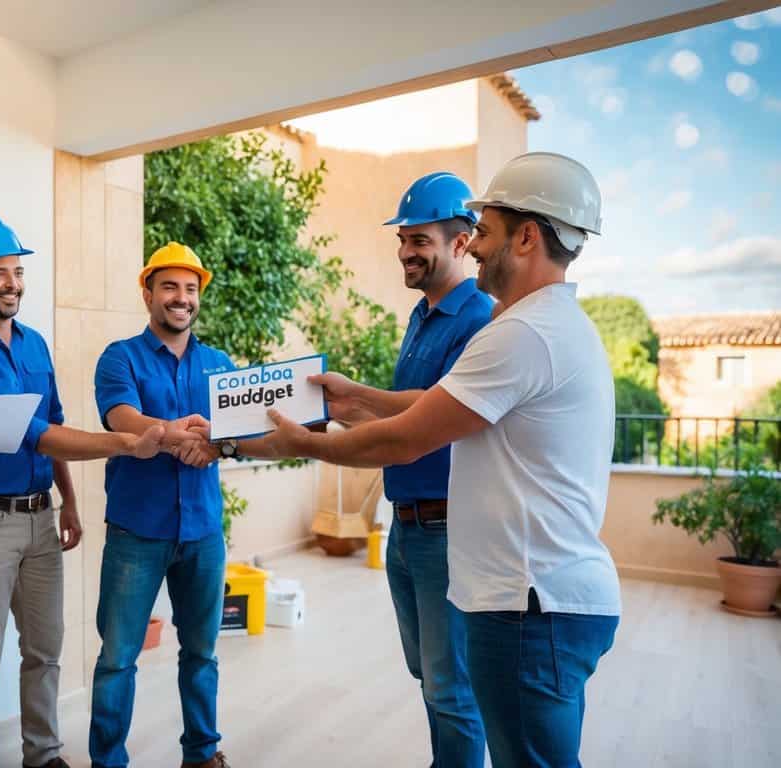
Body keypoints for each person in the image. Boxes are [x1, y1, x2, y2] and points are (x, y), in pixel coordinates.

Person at [260, 152, 621, 768]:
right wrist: (358, 397)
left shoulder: (519, 333)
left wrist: (305, 443)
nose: (477, 245)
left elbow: (406, 437)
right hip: (534, 598)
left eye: (484, 230)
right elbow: (428, 410)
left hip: (531, 605)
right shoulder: (549, 326)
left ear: (528, 236)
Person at [0, 216, 181, 768]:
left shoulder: (35, 344)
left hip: (41, 518)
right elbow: (30, 433)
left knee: (44, 651)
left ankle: (43, 756)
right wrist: (124, 442)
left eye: (17, 271)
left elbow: (54, 422)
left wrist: (67, 501)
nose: (12, 283)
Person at [328, 171, 492, 766]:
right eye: (403, 239)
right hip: (408, 526)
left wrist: (340, 409)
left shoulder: (481, 320)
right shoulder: (423, 316)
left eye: (419, 240)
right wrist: (333, 410)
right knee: (429, 675)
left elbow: (427, 419)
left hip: (448, 528)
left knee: (451, 688)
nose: (405, 252)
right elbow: (398, 419)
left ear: (463, 242)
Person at [88, 242, 268, 768]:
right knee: (119, 658)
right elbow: (120, 415)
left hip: (203, 533)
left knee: (202, 652)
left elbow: (238, 432)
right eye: (169, 286)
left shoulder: (219, 365)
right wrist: (172, 434)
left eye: (190, 289)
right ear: (148, 293)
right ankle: (108, 761)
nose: (181, 298)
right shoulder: (120, 357)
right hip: (136, 531)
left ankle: (202, 753)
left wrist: (215, 442)